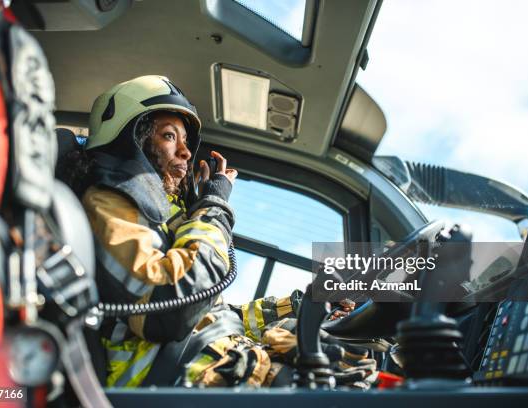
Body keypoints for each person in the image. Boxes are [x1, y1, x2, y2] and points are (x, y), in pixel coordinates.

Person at [66, 75, 374, 388]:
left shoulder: (167, 220)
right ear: (132, 140)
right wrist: (212, 209)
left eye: (186, 141)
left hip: (209, 363)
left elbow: (216, 315)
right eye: (170, 136)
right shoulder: (108, 203)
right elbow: (169, 308)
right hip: (167, 383)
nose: (186, 153)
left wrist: (300, 304)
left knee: (355, 367)